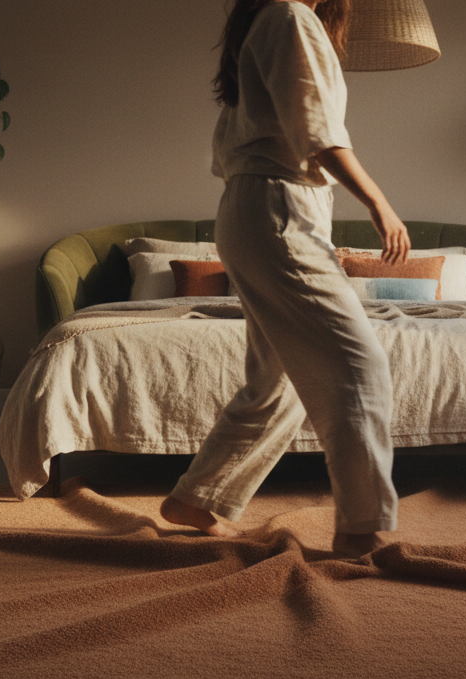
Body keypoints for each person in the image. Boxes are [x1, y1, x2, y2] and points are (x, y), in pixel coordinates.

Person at [160, 0, 410, 557]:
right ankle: (361, 529)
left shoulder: (270, 23)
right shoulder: (290, 17)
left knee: (277, 381)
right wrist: (380, 204)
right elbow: (319, 134)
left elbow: (238, 148)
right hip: (275, 210)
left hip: (255, 208)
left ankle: (198, 499)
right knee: (358, 364)